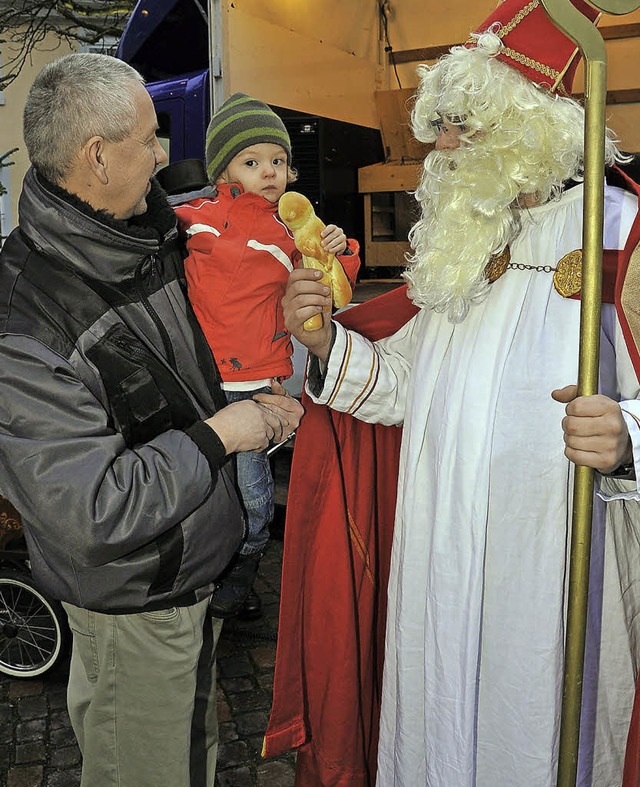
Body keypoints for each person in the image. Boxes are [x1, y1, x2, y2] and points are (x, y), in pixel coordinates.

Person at [272, 1, 640, 784]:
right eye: (437, 122)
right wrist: (322, 343)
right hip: (438, 553)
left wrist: (629, 435)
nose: (438, 145)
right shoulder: (463, 238)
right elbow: (409, 387)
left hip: (549, 568)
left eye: (460, 123)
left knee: (537, 735)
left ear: (531, 124)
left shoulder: (625, 236)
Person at [0, 53, 302, 787]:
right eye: (149, 137)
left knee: (187, 757)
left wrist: (282, 316)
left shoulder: (151, 230)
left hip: (193, 578)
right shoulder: (26, 323)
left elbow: (210, 336)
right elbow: (92, 508)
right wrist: (227, 432)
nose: (166, 152)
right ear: (97, 156)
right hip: (135, 607)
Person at [173, 93, 360, 619]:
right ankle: (204, 577)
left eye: (277, 161)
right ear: (223, 169)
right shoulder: (194, 219)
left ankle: (242, 573)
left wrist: (342, 248)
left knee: (254, 501)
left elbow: (336, 278)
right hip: (199, 381)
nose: (269, 173)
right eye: (252, 162)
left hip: (256, 384)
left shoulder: (293, 230)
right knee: (201, 485)